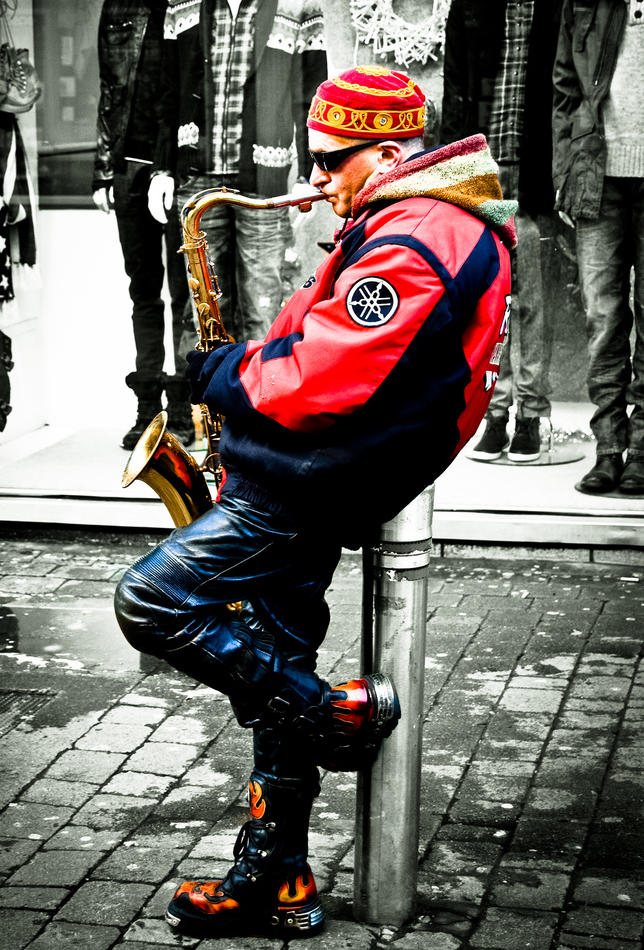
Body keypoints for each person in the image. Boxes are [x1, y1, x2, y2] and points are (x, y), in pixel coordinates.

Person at [114, 66, 515, 938]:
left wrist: (222, 374)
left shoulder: (418, 238)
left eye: (333, 162)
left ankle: (331, 711)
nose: (317, 179)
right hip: (309, 470)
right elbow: (324, 340)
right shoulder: (403, 220)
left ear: (391, 151)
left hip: (306, 482)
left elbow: (324, 377)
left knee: (150, 600)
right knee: (264, 669)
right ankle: (278, 882)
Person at [147, 0, 327, 343]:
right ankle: (208, 415)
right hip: (197, 176)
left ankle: (262, 414)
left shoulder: (299, 2)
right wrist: (162, 169)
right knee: (205, 309)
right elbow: (168, 93)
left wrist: (312, 175)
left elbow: (312, 98)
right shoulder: (184, 2)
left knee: (265, 304)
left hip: (264, 181)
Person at [442, 0, 565, 462]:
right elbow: (453, 92)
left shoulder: (564, 1)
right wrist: (452, 171)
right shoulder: (471, 4)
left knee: (533, 299)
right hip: (482, 174)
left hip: (536, 171)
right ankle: (494, 412)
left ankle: (532, 417)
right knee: (489, 299)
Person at [553, 0, 644, 495]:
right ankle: (608, 448)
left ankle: (643, 449)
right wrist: (566, 170)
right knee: (604, 317)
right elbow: (564, 87)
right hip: (599, 178)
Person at [93, 0, 197, 450]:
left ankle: (182, 409)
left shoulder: (203, 3)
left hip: (181, 168)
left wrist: (175, 169)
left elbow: (191, 98)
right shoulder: (120, 8)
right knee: (143, 291)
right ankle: (146, 408)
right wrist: (102, 171)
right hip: (130, 169)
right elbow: (110, 95)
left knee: (186, 290)